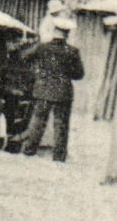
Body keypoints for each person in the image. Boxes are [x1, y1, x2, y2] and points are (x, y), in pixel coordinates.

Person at [15, 18, 85, 161]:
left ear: (54, 31)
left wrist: (38, 69)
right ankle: (59, 156)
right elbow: (79, 74)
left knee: (38, 121)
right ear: (67, 34)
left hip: (43, 89)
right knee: (61, 124)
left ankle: (29, 151)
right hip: (63, 92)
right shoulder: (72, 51)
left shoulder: (42, 47)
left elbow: (23, 56)